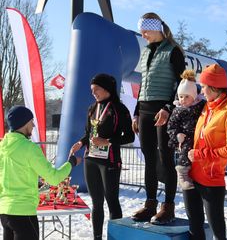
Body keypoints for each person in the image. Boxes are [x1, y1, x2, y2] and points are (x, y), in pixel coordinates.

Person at [131, 12, 186, 225]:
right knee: (149, 158)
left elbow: (181, 85)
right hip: (144, 109)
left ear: (157, 28)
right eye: (141, 30)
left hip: (163, 110)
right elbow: (143, 84)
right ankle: (150, 203)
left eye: (145, 29)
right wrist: (136, 112)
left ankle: (168, 206)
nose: (143, 34)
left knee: (165, 156)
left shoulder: (174, 51)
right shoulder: (145, 52)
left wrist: (167, 107)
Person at [0, 105, 80, 240]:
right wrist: (71, 162)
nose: (33, 125)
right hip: (23, 213)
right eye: (31, 121)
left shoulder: (2, 146)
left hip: (5, 212)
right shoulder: (29, 148)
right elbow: (54, 178)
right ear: (24, 123)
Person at [70, 73, 134, 240]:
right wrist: (81, 142)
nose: (93, 93)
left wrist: (108, 141)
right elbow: (88, 133)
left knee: (112, 200)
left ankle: (116, 237)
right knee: (96, 203)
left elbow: (129, 136)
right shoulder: (92, 109)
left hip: (109, 161)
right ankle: (97, 237)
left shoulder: (119, 109)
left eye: (96, 89)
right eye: (92, 90)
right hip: (90, 159)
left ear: (107, 89)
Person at [183, 64, 227, 240]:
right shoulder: (206, 106)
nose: (202, 90)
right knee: (195, 228)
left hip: (211, 180)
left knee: (217, 232)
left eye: (205, 86)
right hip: (192, 175)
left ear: (215, 87)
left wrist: (201, 155)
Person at [167, 70, 206, 190]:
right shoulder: (178, 109)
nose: (183, 99)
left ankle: (208, 179)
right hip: (185, 137)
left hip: (199, 135)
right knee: (186, 150)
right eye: (181, 96)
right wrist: (177, 134)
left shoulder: (201, 105)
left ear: (194, 96)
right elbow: (171, 125)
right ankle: (182, 174)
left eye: (187, 96)